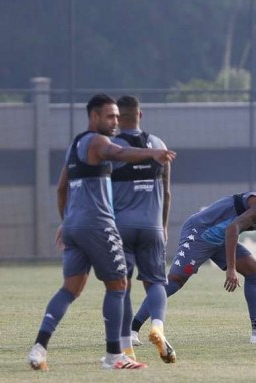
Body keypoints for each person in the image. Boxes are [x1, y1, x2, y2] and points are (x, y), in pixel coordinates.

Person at [27, 94, 176, 371]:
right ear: (94, 117)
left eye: (118, 116)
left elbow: (62, 188)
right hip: (98, 225)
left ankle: (39, 348)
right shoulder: (99, 142)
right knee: (119, 285)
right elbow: (118, 154)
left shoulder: (75, 145)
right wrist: (152, 153)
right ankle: (114, 356)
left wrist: (67, 220)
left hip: (74, 226)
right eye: (110, 116)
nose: (115, 121)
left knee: (70, 289)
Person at [131, 184, 256, 344]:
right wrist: (232, 270)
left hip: (220, 240)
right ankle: (132, 330)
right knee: (174, 281)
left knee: (254, 272)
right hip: (200, 232)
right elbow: (232, 228)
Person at [110, 96, 174, 363]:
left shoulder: (111, 147)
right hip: (152, 226)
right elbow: (167, 192)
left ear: (117, 118)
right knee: (156, 282)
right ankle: (157, 326)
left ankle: (127, 346)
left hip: (121, 226)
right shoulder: (159, 145)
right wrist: (164, 226)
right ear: (140, 114)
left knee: (121, 286)